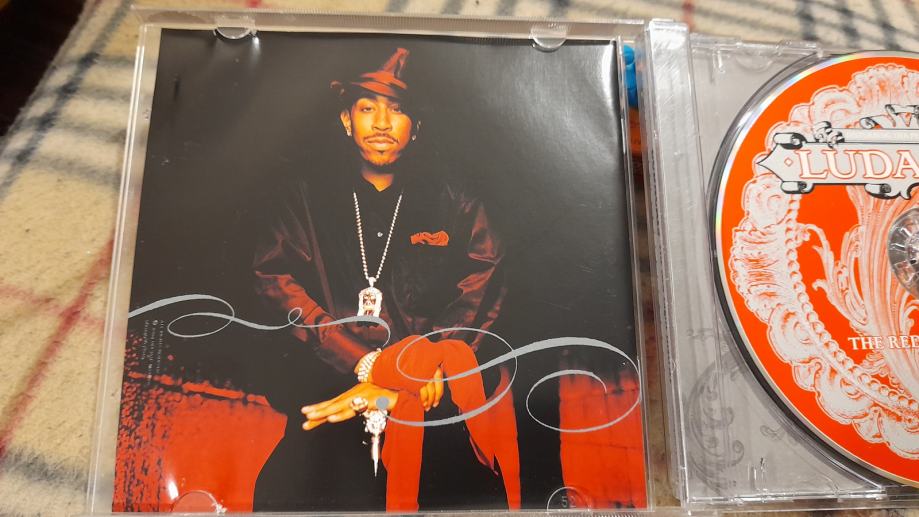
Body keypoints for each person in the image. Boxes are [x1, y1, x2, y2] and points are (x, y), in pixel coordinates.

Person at [251, 47, 518, 512]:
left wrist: (423, 367)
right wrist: (362, 362)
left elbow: (484, 283)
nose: (380, 123)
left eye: (396, 110)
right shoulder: (305, 199)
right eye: (366, 108)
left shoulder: (455, 203)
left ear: (416, 126)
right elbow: (274, 279)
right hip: (334, 395)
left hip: (430, 403)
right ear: (346, 120)